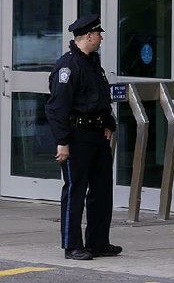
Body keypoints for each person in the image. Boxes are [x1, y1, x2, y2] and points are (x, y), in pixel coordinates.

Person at [44, 14, 122, 261]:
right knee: (76, 190)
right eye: (98, 34)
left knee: (101, 190)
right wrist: (63, 141)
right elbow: (57, 107)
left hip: (97, 135)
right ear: (88, 36)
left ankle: (98, 242)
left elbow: (100, 98)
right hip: (76, 136)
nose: (100, 38)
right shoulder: (68, 66)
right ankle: (72, 245)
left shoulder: (92, 62)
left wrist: (109, 123)